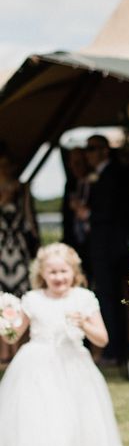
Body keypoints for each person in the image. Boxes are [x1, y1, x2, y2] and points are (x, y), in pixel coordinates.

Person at [0, 243, 122, 446]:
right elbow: (12, 337)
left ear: (74, 272)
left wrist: (84, 324)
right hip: (37, 368)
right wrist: (6, 320)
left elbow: (102, 339)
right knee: (48, 424)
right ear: (42, 273)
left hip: (73, 369)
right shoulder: (32, 299)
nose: (58, 277)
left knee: (67, 424)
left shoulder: (84, 298)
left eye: (64, 271)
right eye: (52, 272)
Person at [83, 135, 129, 365]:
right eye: (87, 149)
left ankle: (114, 350)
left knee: (109, 297)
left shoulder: (113, 174)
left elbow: (115, 210)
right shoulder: (104, 174)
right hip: (106, 245)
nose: (88, 153)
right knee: (110, 297)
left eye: (92, 148)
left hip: (109, 247)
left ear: (105, 150)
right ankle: (117, 348)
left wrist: (87, 214)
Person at [0, 144, 39, 362]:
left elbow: (31, 221)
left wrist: (37, 249)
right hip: (0, 251)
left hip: (18, 250)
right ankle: (3, 350)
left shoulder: (22, 189)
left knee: (20, 297)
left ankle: (17, 347)